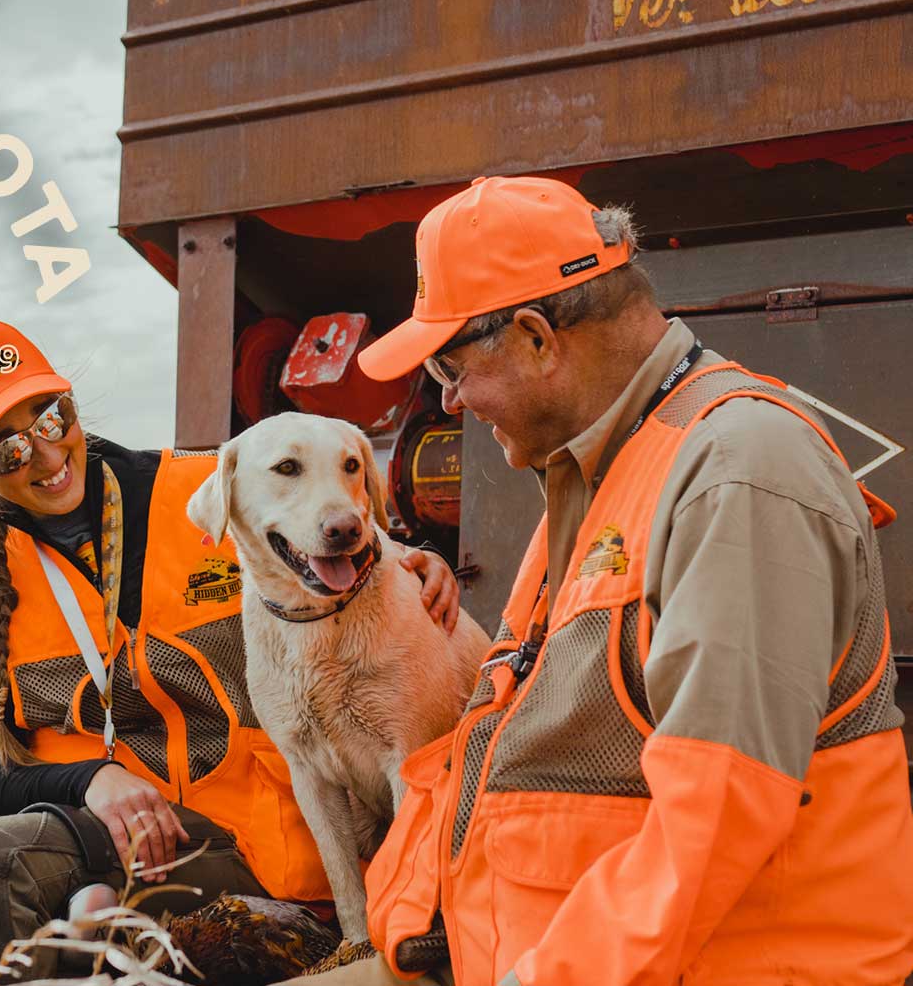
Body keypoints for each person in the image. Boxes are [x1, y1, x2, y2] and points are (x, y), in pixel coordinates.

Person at [298, 176, 913, 986]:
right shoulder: (603, 473)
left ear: (535, 338)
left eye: (451, 368)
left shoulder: (736, 471)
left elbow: (719, 812)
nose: (449, 401)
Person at [0, 319, 462, 986]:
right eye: (9, 448)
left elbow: (325, 533)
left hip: (239, 845)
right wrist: (95, 780)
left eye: (52, 417)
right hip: (74, 836)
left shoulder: (206, 496)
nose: (48, 455)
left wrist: (411, 561)